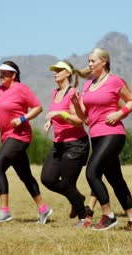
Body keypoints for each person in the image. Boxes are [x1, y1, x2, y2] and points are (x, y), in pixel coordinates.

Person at [71, 48, 132, 231]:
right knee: (115, 179)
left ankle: (108, 215)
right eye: (88, 61)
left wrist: (120, 113)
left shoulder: (114, 81)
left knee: (92, 172)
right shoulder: (88, 85)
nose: (89, 64)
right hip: (95, 135)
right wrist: (74, 103)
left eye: (92, 61)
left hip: (113, 134)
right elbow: (83, 116)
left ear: (103, 62)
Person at [0, 61, 53, 224]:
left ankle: (4, 211)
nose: (1, 76)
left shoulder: (21, 89)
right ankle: (43, 209)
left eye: (5, 73)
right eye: (0, 73)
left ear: (13, 75)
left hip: (20, 136)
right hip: (7, 137)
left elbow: (37, 107)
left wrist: (22, 119)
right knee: (25, 175)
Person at [40, 60, 91, 229]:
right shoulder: (55, 92)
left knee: (68, 184)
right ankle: (79, 199)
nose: (55, 72)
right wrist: (52, 122)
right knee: (47, 179)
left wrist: (60, 114)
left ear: (68, 73)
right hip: (59, 144)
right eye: (54, 70)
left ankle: (84, 218)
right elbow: (57, 114)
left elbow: (79, 121)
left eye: (59, 70)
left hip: (76, 144)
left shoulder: (73, 93)